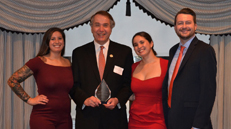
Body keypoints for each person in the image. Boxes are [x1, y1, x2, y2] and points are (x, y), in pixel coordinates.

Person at [69, 10, 133, 129]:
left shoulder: (124, 52)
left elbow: (128, 84)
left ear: (111, 28)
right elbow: (73, 84)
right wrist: (85, 100)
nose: (101, 29)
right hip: (87, 119)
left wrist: (118, 100)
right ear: (91, 28)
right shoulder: (79, 53)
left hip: (115, 119)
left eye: (105, 25)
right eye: (97, 25)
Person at [7, 27, 73, 129]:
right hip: (43, 117)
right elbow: (12, 80)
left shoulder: (69, 63)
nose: (57, 41)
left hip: (65, 118)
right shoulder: (38, 62)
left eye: (60, 38)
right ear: (47, 42)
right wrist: (29, 100)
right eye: (52, 39)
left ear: (63, 41)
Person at [162, 8, 217, 129]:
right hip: (172, 120)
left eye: (188, 23)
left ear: (195, 26)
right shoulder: (173, 50)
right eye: (180, 23)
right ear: (175, 27)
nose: (184, 26)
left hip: (193, 123)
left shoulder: (205, 50)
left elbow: (208, 92)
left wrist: (197, 125)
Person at [128, 31, 168, 129]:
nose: (139, 46)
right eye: (135, 45)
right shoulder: (133, 67)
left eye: (142, 42)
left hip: (157, 120)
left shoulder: (166, 65)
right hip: (135, 120)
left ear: (151, 43)